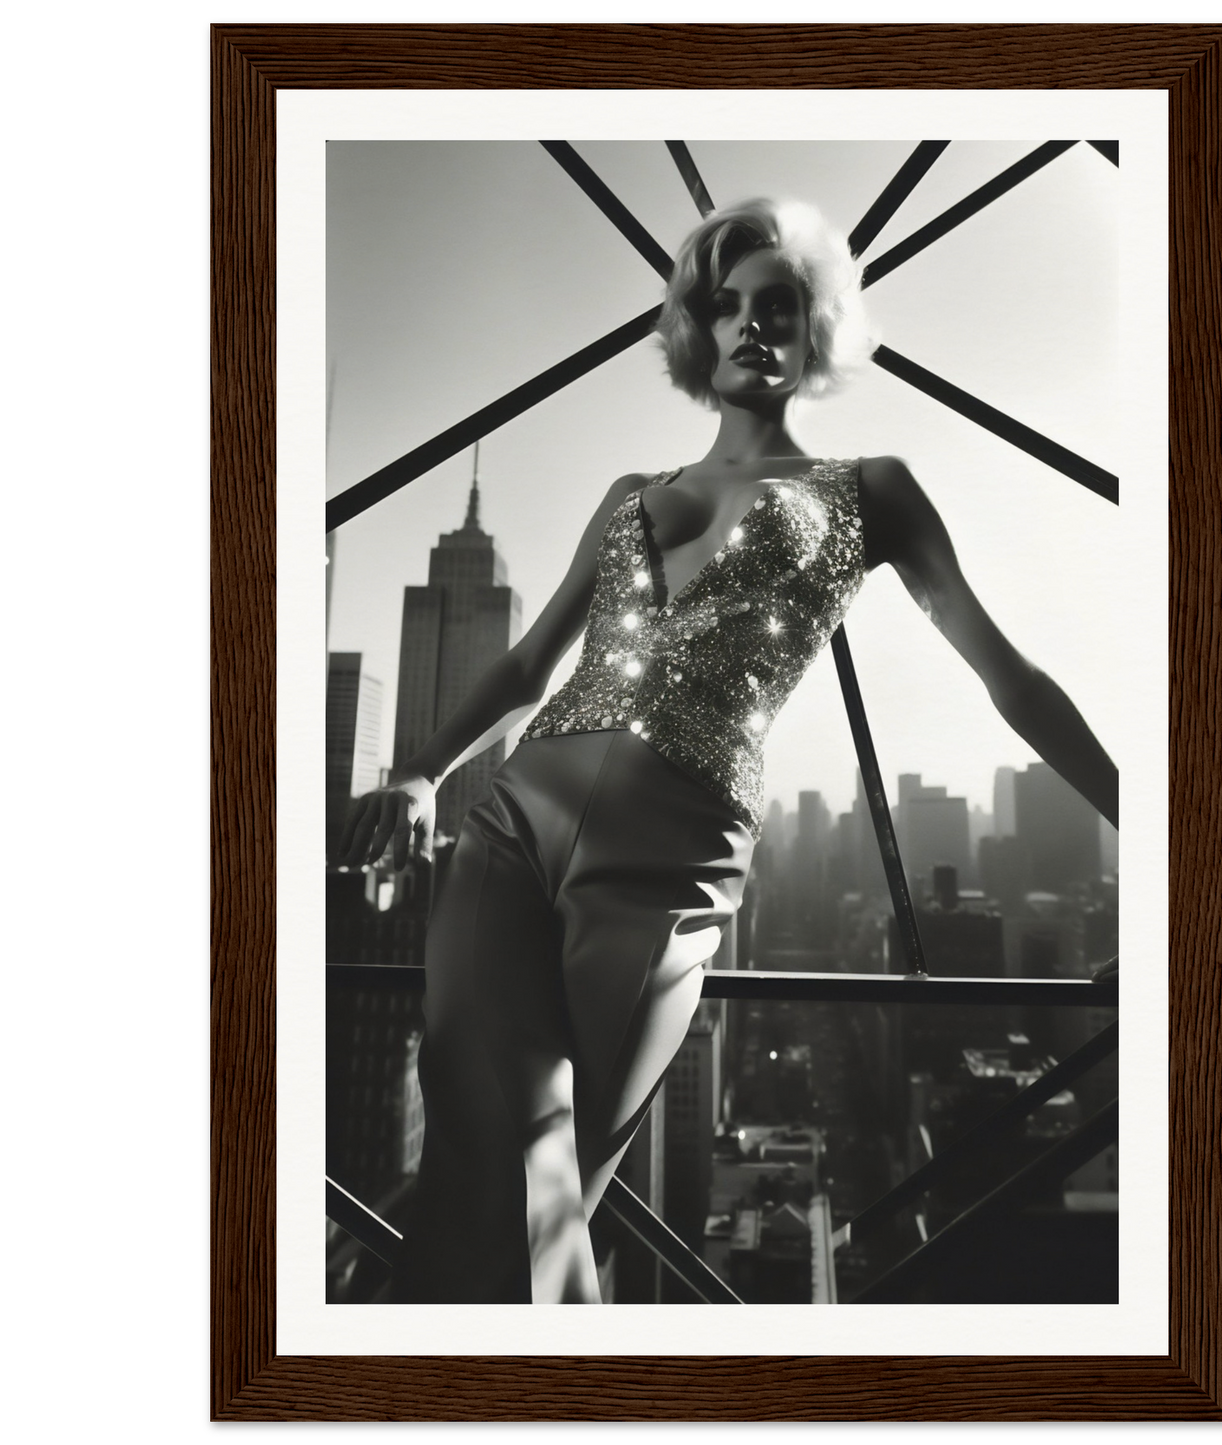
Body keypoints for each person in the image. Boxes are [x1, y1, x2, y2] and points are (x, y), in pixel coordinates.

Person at [338, 198, 1119, 1303]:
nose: (752, 325)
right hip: (510, 821)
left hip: (675, 842)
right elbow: (525, 672)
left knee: (544, 1171)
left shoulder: (871, 490)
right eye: (725, 305)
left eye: (779, 305)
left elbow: (1009, 677)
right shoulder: (628, 496)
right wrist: (421, 770)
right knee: (473, 1140)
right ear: (694, 332)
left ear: (819, 329)